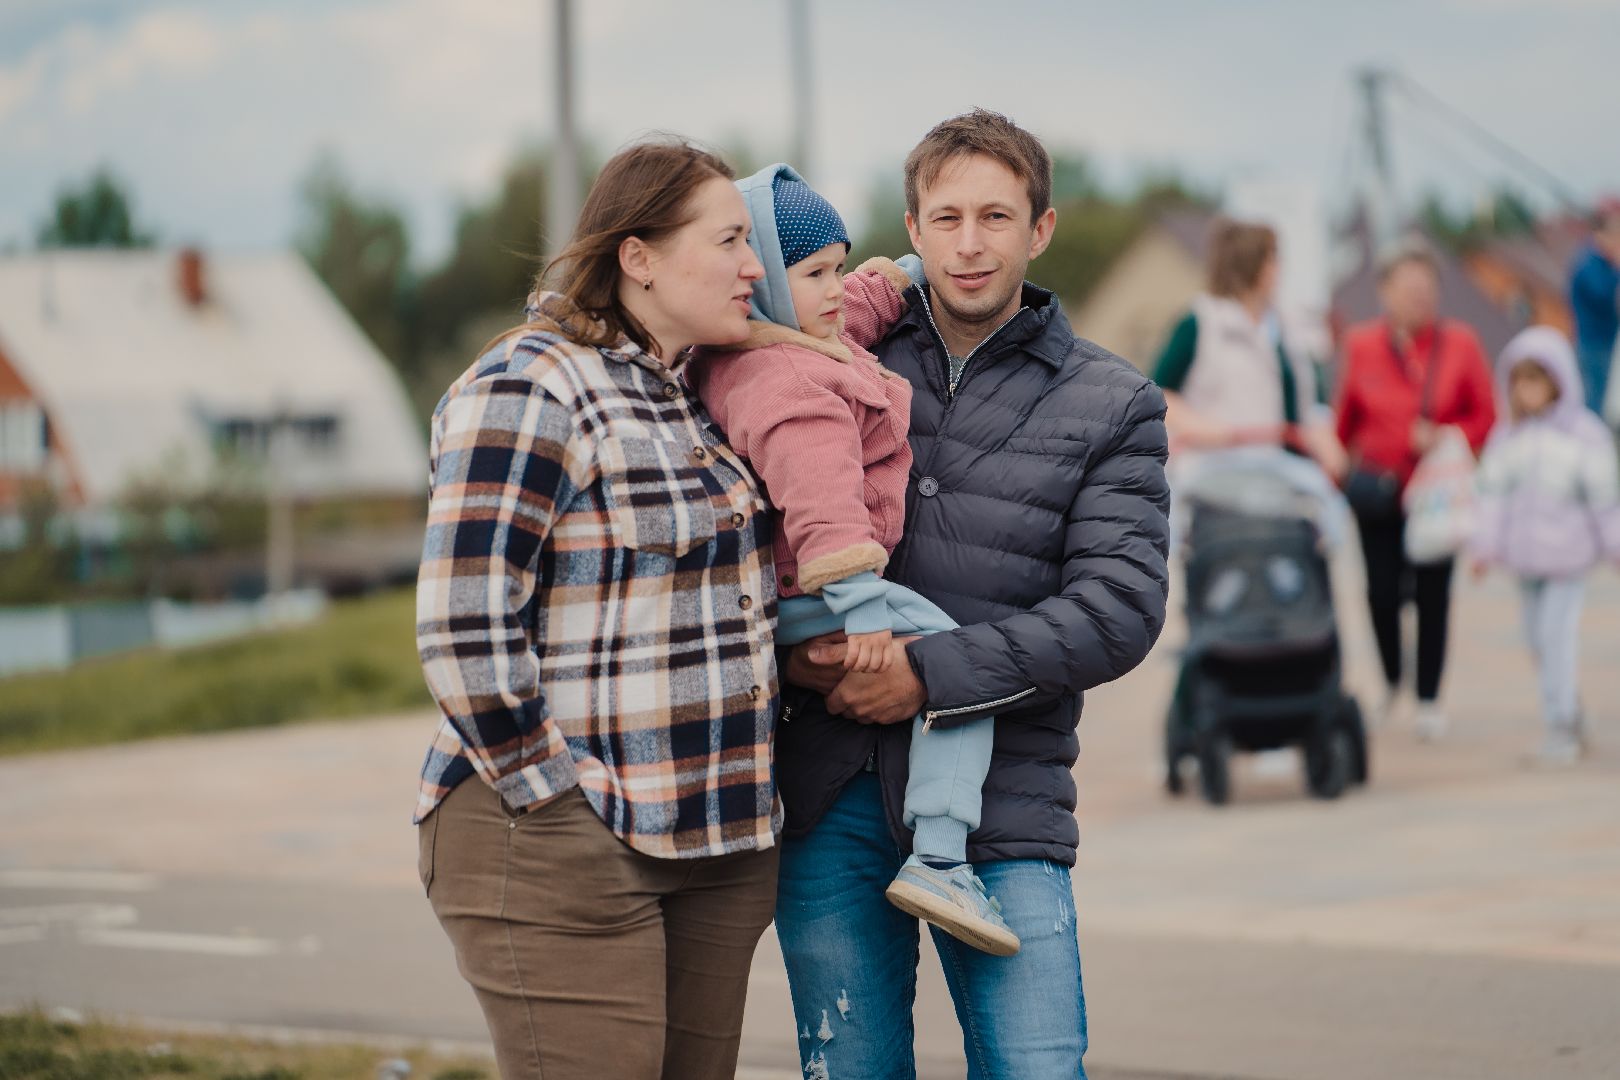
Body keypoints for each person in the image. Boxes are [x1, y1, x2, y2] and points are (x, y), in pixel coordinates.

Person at [771, 109, 1171, 1080]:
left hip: (1006, 805)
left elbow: (1119, 608)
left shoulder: (1114, 402)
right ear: (910, 230)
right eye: (945, 217)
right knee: (846, 1067)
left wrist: (928, 675)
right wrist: (788, 651)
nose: (969, 242)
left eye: (996, 216)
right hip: (831, 792)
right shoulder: (834, 362)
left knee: (1036, 1067)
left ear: (1040, 230)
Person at [412, 139, 781, 1080]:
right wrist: (553, 801)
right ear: (639, 256)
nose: (754, 266)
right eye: (730, 240)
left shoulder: (690, 395)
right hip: (567, 836)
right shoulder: (532, 383)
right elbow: (463, 624)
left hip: (713, 839)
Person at [692, 164, 1020, 956]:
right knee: (954, 667)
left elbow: (856, 309)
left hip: (815, 586)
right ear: (766, 282)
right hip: (830, 584)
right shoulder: (789, 381)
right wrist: (865, 604)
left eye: (840, 266)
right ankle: (941, 854)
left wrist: (903, 273)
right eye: (814, 274)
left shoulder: (795, 337)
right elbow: (822, 501)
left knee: (946, 664)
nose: (836, 289)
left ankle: (937, 851)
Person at [1334, 238, 1496, 740]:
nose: (1418, 299)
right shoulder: (1361, 344)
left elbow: (1485, 415)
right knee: (1380, 593)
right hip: (1379, 491)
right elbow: (1346, 420)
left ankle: (1429, 698)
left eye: (1427, 289)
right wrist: (1333, 476)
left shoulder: (1460, 344)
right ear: (1385, 291)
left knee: (1433, 595)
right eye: (1408, 289)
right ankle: (1390, 679)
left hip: (1435, 494)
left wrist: (1448, 436)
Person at [1468, 326, 1620, 764]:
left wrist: (1614, 546)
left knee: (1558, 638)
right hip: (1526, 560)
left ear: (1558, 382)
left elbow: (1604, 500)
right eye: (1519, 381)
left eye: (1536, 380)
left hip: (1567, 559)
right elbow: (1492, 498)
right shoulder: (1508, 438)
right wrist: (1484, 546)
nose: (1526, 391)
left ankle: (1560, 725)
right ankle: (1568, 707)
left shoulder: (1584, 436)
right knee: (1536, 639)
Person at [1153, 218, 1346, 482]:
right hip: (1212, 474)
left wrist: (1324, 437)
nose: (1279, 269)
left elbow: (1312, 403)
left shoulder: (1290, 330)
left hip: (1281, 474)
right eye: (1272, 259)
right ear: (1250, 265)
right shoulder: (1200, 323)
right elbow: (1160, 395)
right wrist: (1203, 428)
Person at [1568, 198, 1620, 415]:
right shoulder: (1588, 264)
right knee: (1594, 406)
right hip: (1592, 348)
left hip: (1608, 345)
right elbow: (1606, 297)